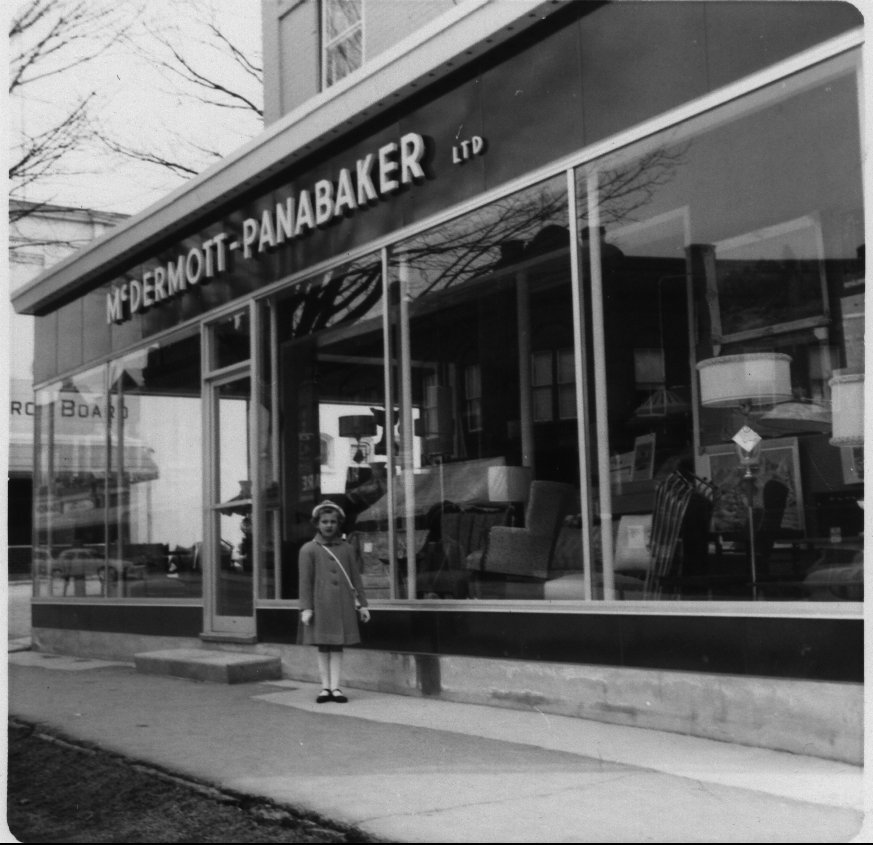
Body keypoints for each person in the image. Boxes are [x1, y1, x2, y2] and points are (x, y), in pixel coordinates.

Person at [298, 500, 371, 703]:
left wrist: (363, 604)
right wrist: (306, 608)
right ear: (317, 524)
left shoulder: (347, 549)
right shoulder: (308, 550)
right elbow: (305, 582)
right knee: (323, 645)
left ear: (338, 524)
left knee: (338, 645)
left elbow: (355, 578)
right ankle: (324, 688)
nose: (328, 525)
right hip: (321, 606)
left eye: (332, 521)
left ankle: (336, 688)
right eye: (324, 521)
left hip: (343, 605)